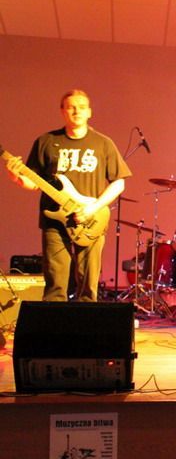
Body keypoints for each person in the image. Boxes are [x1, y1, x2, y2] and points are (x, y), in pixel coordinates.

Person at [5, 89, 131, 301]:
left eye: (81, 107)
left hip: (90, 219)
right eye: (71, 107)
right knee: (55, 284)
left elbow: (119, 183)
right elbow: (34, 183)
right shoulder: (46, 141)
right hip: (54, 220)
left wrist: (92, 208)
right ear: (62, 111)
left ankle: (86, 322)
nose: (76, 111)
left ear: (89, 112)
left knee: (88, 287)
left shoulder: (103, 143)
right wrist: (15, 176)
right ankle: (54, 322)